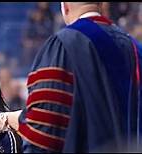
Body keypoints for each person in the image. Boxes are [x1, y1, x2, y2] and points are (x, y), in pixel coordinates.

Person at [18, 2, 142, 153]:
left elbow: (44, 135)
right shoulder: (135, 48)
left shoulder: (64, 44)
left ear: (65, 6)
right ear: (101, 5)